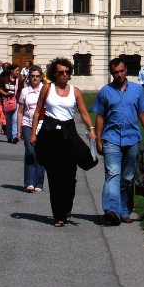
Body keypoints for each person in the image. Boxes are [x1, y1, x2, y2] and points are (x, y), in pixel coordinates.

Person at [92, 57, 144, 226]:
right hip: (111, 138)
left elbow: (143, 114)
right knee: (113, 174)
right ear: (111, 74)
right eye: (115, 72)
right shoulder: (105, 91)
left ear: (126, 70)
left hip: (132, 138)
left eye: (121, 71)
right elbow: (100, 116)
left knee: (127, 177)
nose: (119, 75)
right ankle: (112, 211)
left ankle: (125, 211)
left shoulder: (137, 90)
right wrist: (98, 139)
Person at [33, 58, 95, 226]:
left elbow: (83, 113)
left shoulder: (75, 91)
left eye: (67, 72)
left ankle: (67, 208)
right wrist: (33, 134)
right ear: (54, 73)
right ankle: (58, 216)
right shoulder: (47, 88)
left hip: (69, 133)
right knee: (54, 177)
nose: (64, 75)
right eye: (60, 72)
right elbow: (38, 111)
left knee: (69, 177)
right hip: (50, 133)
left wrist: (91, 129)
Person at [16, 70, 46, 192]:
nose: (35, 78)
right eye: (32, 76)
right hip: (27, 124)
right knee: (30, 151)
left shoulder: (45, 90)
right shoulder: (25, 91)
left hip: (42, 125)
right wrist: (18, 131)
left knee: (40, 153)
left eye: (37, 76)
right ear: (29, 77)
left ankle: (39, 182)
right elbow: (20, 112)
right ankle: (29, 181)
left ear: (41, 77)